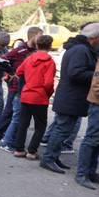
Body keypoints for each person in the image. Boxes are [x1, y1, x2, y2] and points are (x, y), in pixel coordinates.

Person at [41, 22, 99, 173]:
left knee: (63, 130)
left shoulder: (79, 48)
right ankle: (48, 159)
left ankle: (53, 157)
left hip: (71, 97)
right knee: (61, 130)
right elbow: (76, 73)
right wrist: (96, 75)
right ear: (94, 37)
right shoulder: (81, 50)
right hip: (71, 97)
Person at [0, 26, 43, 150]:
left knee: (19, 115)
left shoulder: (37, 51)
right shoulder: (20, 50)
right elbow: (0, 60)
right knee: (9, 112)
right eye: (40, 35)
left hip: (28, 88)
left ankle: (11, 138)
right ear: (34, 35)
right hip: (16, 87)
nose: (41, 38)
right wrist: (12, 72)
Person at [12, 35, 55, 160]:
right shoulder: (49, 62)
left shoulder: (29, 59)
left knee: (23, 123)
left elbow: (19, 72)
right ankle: (32, 151)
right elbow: (48, 83)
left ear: (37, 45)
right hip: (40, 97)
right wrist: (48, 93)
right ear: (50, 46)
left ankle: (19, 149)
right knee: (40, 125)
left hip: (26, 95)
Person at [75, 60, 99, 189]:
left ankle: (90, 171)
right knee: (91, 140)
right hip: (97, 104)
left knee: (96, 141)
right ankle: (82, 174)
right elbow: (96, 85)